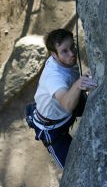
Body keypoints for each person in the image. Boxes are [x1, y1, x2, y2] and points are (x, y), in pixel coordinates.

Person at [25, 29, 97, 168]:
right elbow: (66, 104)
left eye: (72, 46)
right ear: (53, 55)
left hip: (64, 110)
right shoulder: (54, 77)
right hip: (52, 129)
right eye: (65, 51)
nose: (72, 54)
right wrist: (78, 85)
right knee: (73, 167)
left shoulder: (64, 61)